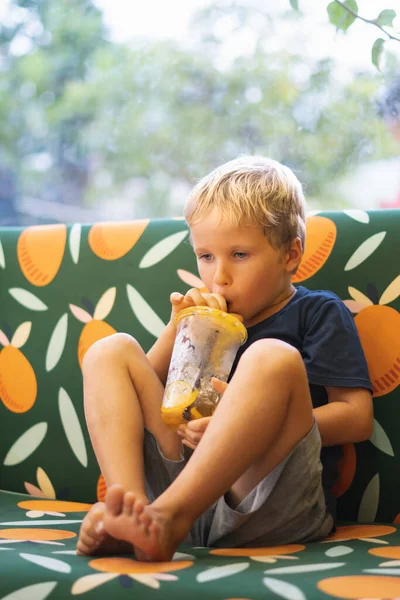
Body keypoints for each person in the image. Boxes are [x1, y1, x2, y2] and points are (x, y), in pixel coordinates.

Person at [76, 155, 373, 562]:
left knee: (270, 356)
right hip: (180, 491)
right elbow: (140, 391)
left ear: (290, 254)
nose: (219, 277)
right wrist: (178, 327)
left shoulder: (317, 312)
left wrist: (235, 424)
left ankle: (167, 517)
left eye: (239, 255)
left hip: (268, 502)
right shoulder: (202, 319)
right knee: (110, 351)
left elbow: (357, 417)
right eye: (206, 256)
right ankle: (129, 512)